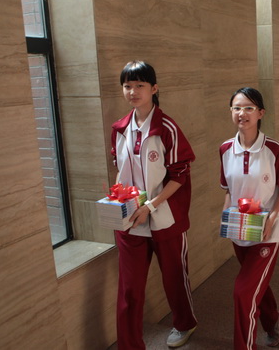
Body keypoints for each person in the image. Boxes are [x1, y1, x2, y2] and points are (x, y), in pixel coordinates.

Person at [110, 60, 197, 349]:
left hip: (165, 217)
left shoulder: (167, 128)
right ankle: (130, 344)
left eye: (140, 85)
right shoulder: (119, 129)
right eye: (127, 86)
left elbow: (180, 176)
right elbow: (120, 171)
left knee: (174, 278)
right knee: (129, 289)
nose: (133, 91)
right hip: (130, 220)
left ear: (154, 88)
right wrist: (121, 202)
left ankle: (184, 323)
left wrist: (150, 206)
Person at [219, 87, 279, 350]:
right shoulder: (225, 149)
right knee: (256, 285)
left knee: (243, 292)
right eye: (237, 108)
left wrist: (272, 218)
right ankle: (272, 320)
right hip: (240, 231)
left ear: (261, 113)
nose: (242, 113)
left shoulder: (273, 148)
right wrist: (226, 220)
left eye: (249, 108)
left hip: (267, 233)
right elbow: (228, 190)